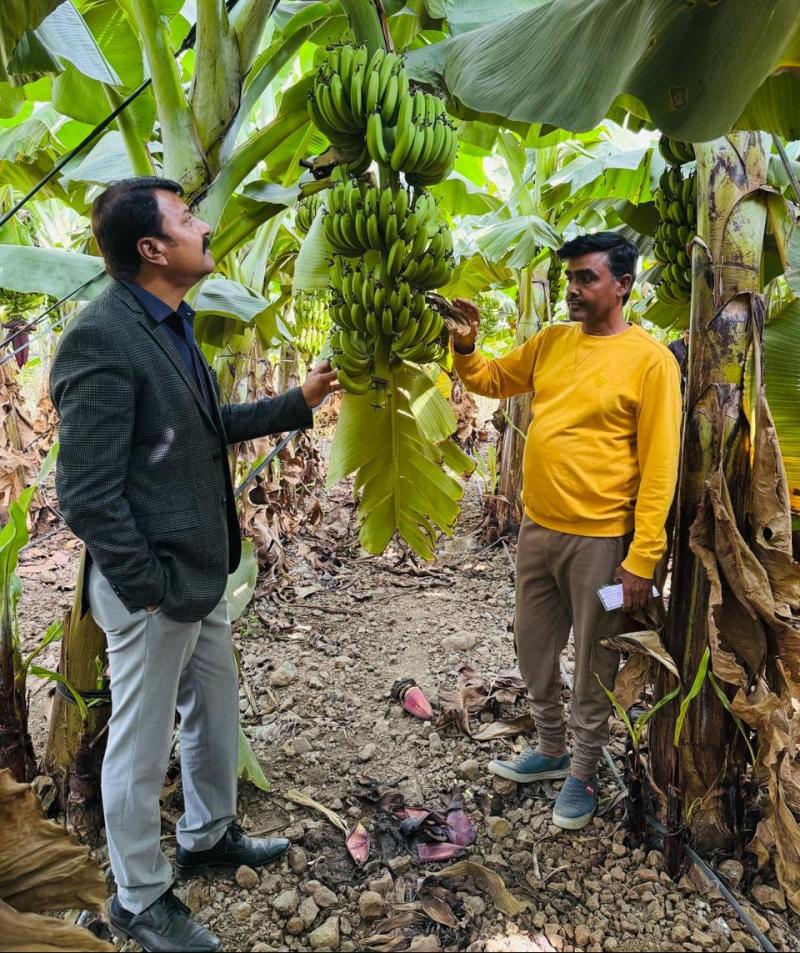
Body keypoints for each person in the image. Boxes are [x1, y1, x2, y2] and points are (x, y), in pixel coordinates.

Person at [50, 177, 338, 952]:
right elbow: (84, 492)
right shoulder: (102, 336)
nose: (204, 225)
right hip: (154, 585)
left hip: (201, 570)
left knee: (212, 709)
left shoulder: (170, 322)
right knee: (140, 746)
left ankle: (208, 835)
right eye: (187, 217)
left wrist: (299, 400)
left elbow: (206, 426)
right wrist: (148, 587)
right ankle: (139, 897)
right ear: (152, 248)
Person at [451, 232, 681, 831]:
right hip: (539, 534)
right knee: (533, 644)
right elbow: (492, 380)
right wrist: (467, 347)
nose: (573, 290)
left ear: (622, 285)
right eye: (570, 279)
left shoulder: (651, 362)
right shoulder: (552, 342)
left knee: (595, 654)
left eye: (586, 278)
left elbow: (660, 467)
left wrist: (642, 560)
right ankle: (551, 747)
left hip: (603, 547)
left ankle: (583, 768)